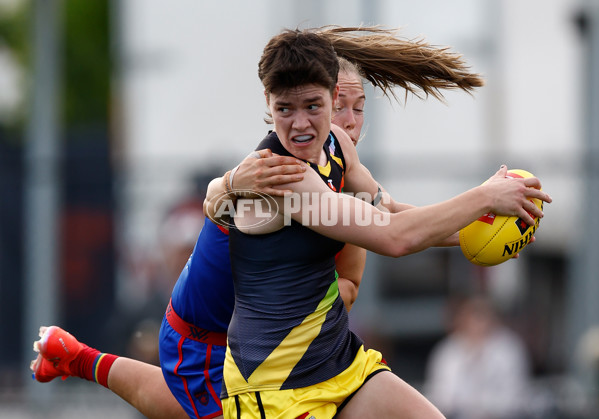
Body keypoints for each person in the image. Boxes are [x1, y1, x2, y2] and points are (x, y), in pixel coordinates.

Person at [201, 26, 551, 419]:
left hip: (338, 360)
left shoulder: (336, 144)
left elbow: (388, 212)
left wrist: (482, 227)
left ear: (332, 97)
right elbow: (396, 238)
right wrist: (485, 196)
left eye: (313, 106)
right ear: (268, 101)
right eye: (285, 109)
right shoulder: (283, 177)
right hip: (277, 387)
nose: (300, 124)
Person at [30, 56, 377, 419]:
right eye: (338, 107)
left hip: (254, 347)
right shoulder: (281, 169)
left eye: (359, 108)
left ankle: (75, 356)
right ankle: (78, 358)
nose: (350, 122)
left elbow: (352, 278)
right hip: (205, 339)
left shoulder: (339, 169)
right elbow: (395, 236)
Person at [423, 295, 532, 419]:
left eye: (482, 317)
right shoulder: (448, 351)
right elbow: (440, 395)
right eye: (473, 317)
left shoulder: (509, 348)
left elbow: (514, 396)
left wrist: (485, 409)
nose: (477, 324)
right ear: (462, 319)